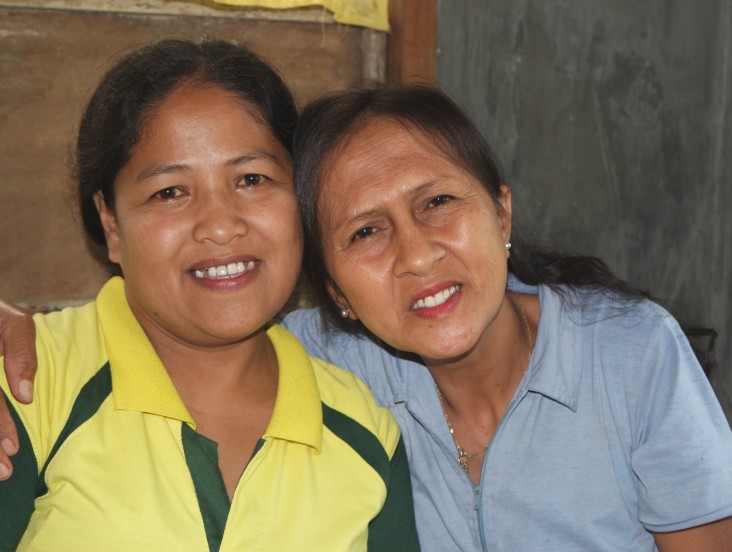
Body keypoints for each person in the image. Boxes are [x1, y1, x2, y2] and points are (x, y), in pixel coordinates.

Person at [2, 82, 732, 551]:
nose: (416, 256)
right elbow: (182, 323)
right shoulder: (330, 361)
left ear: (501, 211)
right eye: (365, 232)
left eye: (438, 202)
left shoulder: (630, 353)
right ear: (337, 291)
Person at [0, 40, 419, 552]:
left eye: (251, 179)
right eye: (170, 192)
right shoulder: (29, 382)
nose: (220, 226)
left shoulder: (366, 434)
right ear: (111, 223)